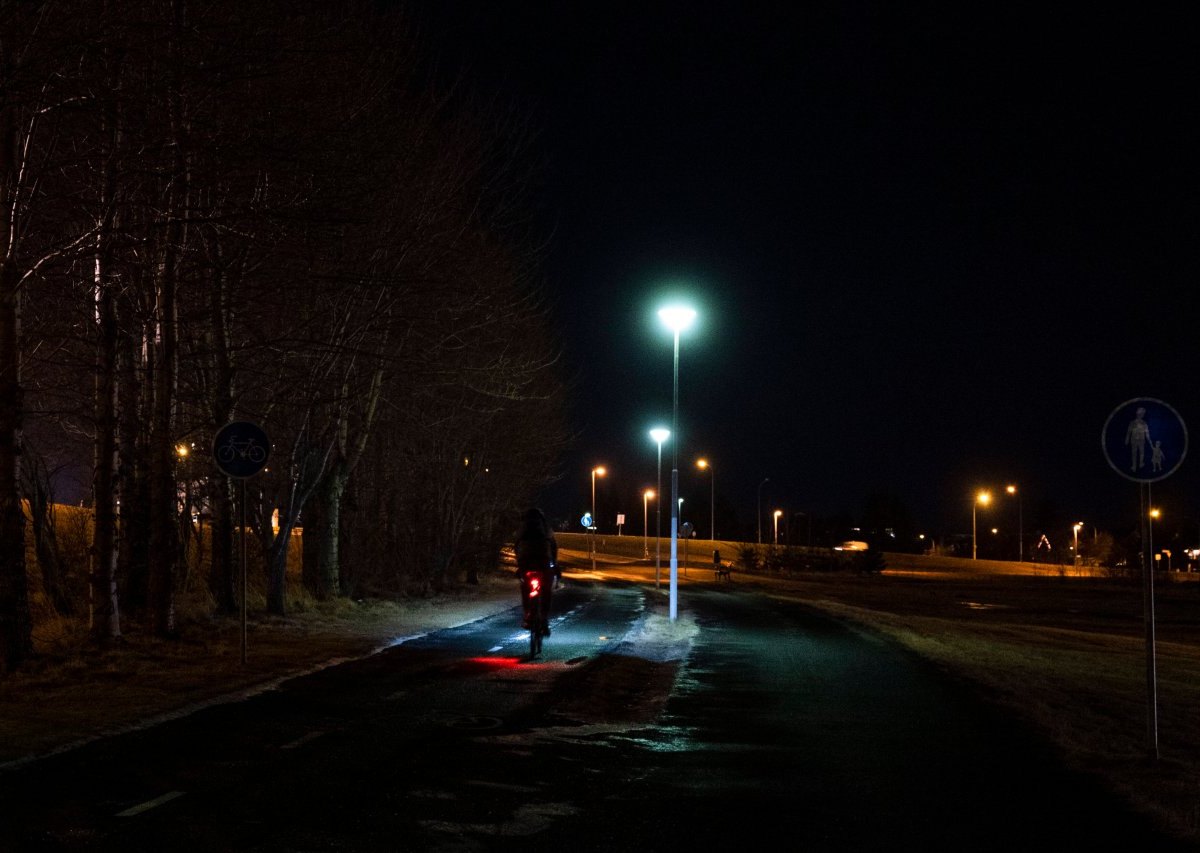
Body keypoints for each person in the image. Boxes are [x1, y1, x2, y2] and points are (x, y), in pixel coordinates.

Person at [514, 507, 559, 635]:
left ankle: (528, 615)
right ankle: (544, 620)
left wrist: (519, 563)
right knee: (546, 591)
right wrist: (554, 564)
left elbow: (517, 545)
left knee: (525, 587)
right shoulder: (546, 527)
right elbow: (553, 546)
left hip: (526, 561)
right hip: (543, 561)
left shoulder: (523, 527)